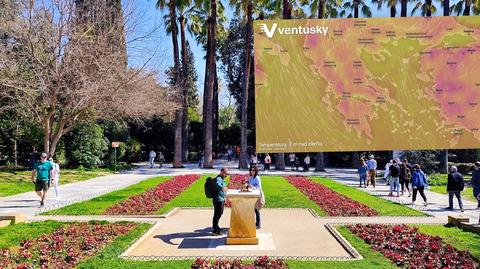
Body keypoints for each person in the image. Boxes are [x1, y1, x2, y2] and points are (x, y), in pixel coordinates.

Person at [212, 167, 229, 235]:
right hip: (218, 199)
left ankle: (216, 226)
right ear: (221, 172)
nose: (226, 175)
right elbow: (218, 184)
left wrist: (224, 197)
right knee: (217, 214)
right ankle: (215, 230)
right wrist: (223, 188)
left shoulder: (221, 179)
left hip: (221, 199)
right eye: (225, 173)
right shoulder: (219, 178)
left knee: (219, 213)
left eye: (227, 174)